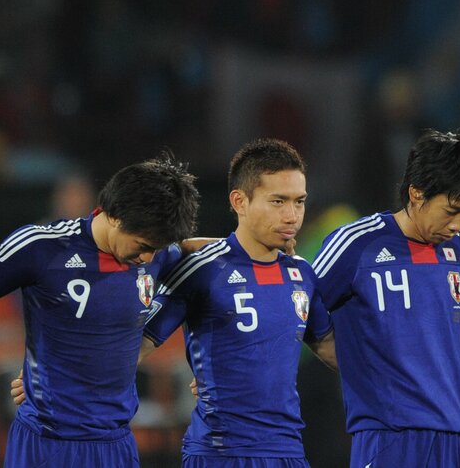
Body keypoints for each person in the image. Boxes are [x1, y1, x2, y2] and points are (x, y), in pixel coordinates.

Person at [0, 154, 199, 468]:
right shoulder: (41, 247)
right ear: (115, 215)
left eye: (158, 249)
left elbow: (211, 260)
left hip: (116, 444)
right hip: (48, 443)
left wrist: (148, 342)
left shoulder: (156, 253)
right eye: (143, 246)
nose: (149, 258)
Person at [142, 138, 338, 466]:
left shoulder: (302, 273)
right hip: (221, 453)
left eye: (299, 202)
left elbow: (332, 349)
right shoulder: (201, 268)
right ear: (239, 201)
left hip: (287, 452)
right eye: (278, 201)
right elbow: (135, 346)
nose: (292, 215)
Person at [312, 130, 460, 468]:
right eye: (451, 211)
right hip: (390, 436)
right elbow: (296, 305)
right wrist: (350, 361)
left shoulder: (454, 248)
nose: (458, 224)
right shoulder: (356, 243)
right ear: (416, 193)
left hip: (458, 437)